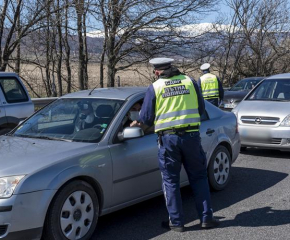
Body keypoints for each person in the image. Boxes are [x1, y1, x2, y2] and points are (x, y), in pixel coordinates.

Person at [131, 58, 219, 232]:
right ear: (171, 67)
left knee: (171, 181)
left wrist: (138, 121)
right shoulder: (190, 81)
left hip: (169, 140)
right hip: (192, 137)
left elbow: (147, 118)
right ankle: (206, 218)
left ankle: (177, 222)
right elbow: (201, 109)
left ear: (157, 71)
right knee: (199, 177)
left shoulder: (155, 87)